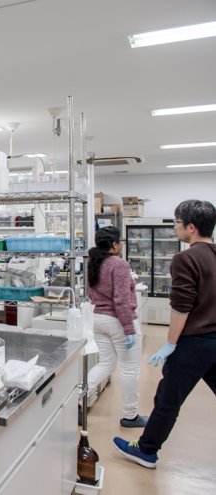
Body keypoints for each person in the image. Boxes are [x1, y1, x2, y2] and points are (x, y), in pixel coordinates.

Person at [114, 200, 216, 469]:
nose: (175, 227)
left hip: (193, 343)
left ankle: (146, 450)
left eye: (177, 223)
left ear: (191, 228)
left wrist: (170, 344)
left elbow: (181, 307)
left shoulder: (185, 259)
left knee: (167, 399)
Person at [85, 226, 147, 427]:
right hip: (117, 321)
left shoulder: (94, 262)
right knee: (130, 369)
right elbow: (121, 299)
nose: (120, 244)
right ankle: (130, 416)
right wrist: (128, 328)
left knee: (106, 364)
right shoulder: (118, 264)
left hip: (98, 320)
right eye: (119, 241)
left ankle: (78, 399)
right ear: (114, 244)